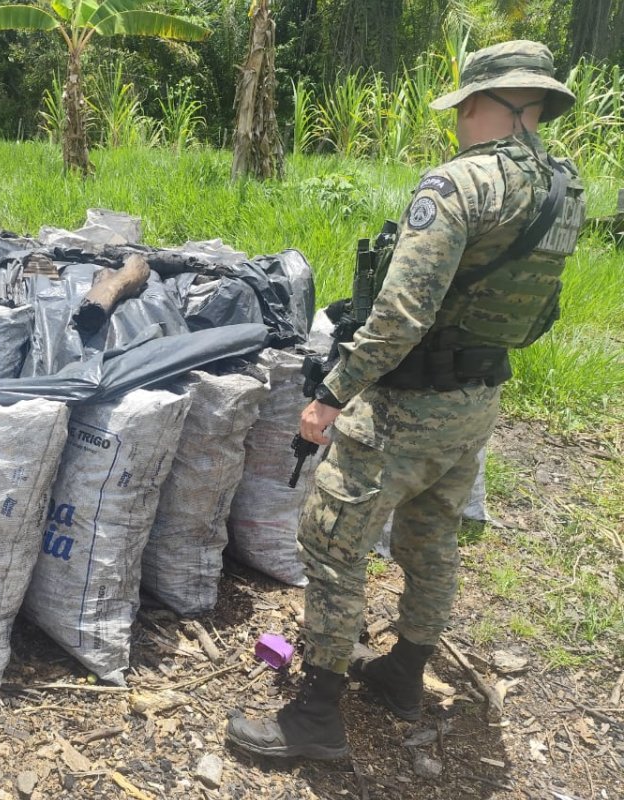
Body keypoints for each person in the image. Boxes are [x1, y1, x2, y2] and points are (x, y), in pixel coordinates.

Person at [225, 40, 586, 760]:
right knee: (433, 534)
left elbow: (399, 318)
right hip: (479, 395)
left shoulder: (458, 187)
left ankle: (315, 719)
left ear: (483, 103)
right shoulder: (566, 185)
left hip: (408, 405)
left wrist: (330, 396)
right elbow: (537, 309)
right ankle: (403, 673)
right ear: (538, 103)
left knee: (331, 542)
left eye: (463, 106)